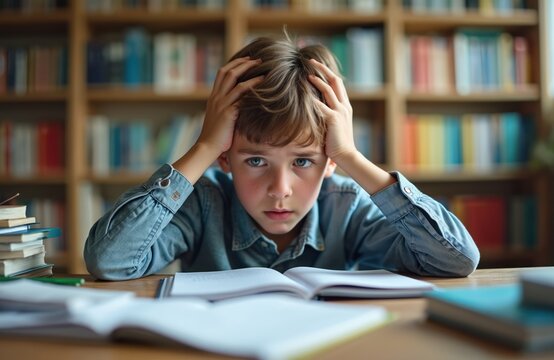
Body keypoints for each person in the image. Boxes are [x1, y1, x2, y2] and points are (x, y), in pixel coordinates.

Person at [84, 35, 480, 280]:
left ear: (329, 162)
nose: (280, 190)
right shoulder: (203, 205)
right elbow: (110, 262)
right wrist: (203, 147)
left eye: (303, 161)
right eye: (256, 161)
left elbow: (456, 260)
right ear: (226, 158)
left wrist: (350, 156)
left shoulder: (347, 207)